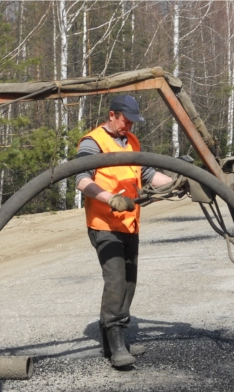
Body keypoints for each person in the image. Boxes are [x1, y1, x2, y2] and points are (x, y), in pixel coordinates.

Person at [75, 94, 172, 367]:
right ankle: (117, 346)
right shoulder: (93, 142)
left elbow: (148, 175)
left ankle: (113, 342)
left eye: (132, 123)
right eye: (125, 121)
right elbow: (81, 180)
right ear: (112, 115)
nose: (128, 127)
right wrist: (110, 199)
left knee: (129, 281)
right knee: (116, 281)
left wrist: (179, 182)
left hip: (129, 223)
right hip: (104, 224)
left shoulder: (132, 141)